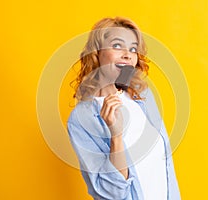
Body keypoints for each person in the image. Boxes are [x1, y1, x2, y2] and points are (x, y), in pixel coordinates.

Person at [67, 17, 181, 200]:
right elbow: (112, 193)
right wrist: (116, 136)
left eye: (133, 49)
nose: (128, 54)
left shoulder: (143, 97)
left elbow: (164, 169)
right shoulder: (81, 119)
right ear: (97, 53)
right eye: (117, 46)